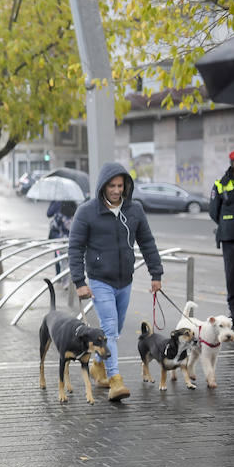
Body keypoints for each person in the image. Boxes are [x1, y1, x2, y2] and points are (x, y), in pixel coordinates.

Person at [68, 162, 163, 402]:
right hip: (100, 280)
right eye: (112, 185)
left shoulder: (135, 210)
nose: (116, 190)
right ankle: (116, 380)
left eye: (121, 185)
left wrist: (156, 274)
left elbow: (148, 242)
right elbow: (75, 248)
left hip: (125, 280)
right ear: (103, 185)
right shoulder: (87, 211)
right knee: (109, 328)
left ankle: (98, 363)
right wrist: (80, 281)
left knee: (116, 330)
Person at [209, 149, 234, 319]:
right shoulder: (221, 184)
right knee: (232, 278)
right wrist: (227, 224)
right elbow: (213, 211)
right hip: (229, 237)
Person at [47, 200, 77, 275]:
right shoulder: (77, 216)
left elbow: (49, 215)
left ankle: (60, 278)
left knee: (59, 261)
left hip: (60, 242)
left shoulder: (59, 214)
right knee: (70, 263)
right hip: (72, 243)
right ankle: (67, 281)